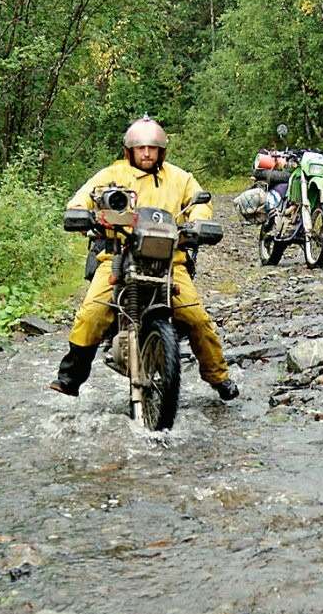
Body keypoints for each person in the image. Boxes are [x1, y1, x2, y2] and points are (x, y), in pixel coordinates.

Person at [49, 116, 239, 401]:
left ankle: (218, 377)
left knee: (196, 317)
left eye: (152, 148)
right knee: (93, 312)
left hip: (169, 261)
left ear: (161, 151)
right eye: (141, 148)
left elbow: (200, 203)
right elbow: (81, 199)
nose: (147, 153)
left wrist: (198, 223)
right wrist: (82, 213)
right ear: (130, 151)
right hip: (118, 256)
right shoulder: (112, 175)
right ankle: (70, 377)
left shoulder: (180, 178)